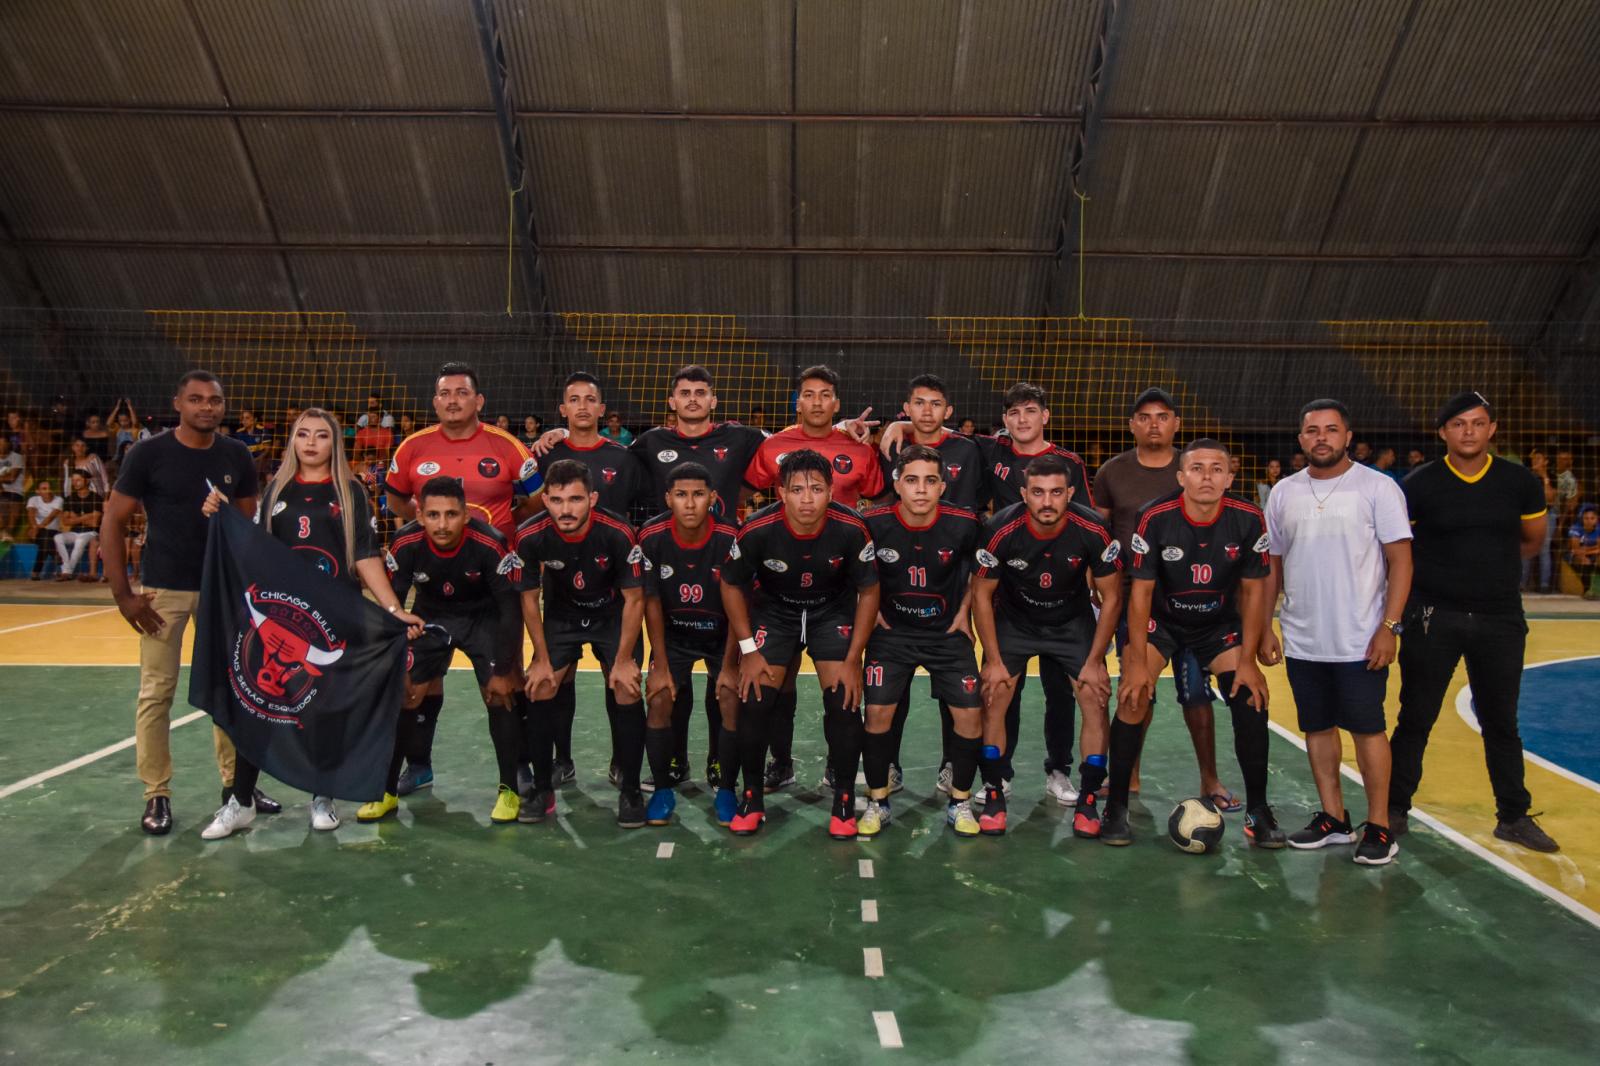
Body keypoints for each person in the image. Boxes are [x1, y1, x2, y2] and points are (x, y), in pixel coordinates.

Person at [199, 408, 422, 839]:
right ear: (293, 441)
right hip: (286, 618)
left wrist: (394, 609)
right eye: (303, 434)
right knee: (259, 705)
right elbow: (258, 552)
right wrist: (225, 516)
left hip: (334, 618)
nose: (312, 443)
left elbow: (365, 556)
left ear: (334, 444)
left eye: (322, 436)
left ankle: (323, 796)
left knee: (324, 707)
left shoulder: (350, 492)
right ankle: (240, 801)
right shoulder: (276, 490)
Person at [100, 370, 278, 835]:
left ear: (224, 406)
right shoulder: (148, 453)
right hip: (164, 592)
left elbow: (246, 529)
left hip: (221, 589)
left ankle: (236, 789)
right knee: (157, 692)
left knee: (234, 690)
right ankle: (156, 793)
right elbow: (113, 521)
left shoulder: (237, 455)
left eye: (215, 401)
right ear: (177, 402)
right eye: (196, 399)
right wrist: (124, 595)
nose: (206, 407)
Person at [1388, 393, 1561, 852]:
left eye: (1478, 423)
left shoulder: (1519, 481)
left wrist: (1486, 572)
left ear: (1492, 429)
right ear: (1443, 432)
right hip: (1432, 616)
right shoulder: (1418, 484)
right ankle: (1393, 808)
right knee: (1415, 717)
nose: (1469, 432)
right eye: (1459, 424)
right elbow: (1399, 550)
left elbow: (1532, 540)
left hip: (1499, 617)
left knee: (1502, 720)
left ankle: (1513, 816)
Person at [1263, 398, 1411, 866]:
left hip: (1360, 638)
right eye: (1312, 430)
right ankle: (1334, 818)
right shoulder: (1284, 492)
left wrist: (1389, 626)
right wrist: (1267, 625)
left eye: (1331, 429)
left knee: (1369, 730)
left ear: (1348, 437)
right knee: (1317, 729)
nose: (1321, 437)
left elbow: (1401, 560)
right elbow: (1273, 565)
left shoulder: (1378, 488)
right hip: (1305, 637)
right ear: (1300, 438)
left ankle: (1381, 826)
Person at [1111, 439, 1281, 847]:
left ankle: (1258, 810)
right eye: (1198, 468)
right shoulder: (1155, 517)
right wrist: (1135, 659)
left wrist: (1248, 660)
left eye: (1216, 468)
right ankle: (1115, 806)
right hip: (1162, 621)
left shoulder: (1248, 517)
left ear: (1230, 476)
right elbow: (1140, 593)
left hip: (1216, 625)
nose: (1207, 476)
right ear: (1181, 476)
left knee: (1251, 697)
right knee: (1133, 696)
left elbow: (1255, 592)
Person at [384, 362, 542, 795]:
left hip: (492, 593)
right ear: (435, 402)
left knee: (504, 683)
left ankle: (519, 768)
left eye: (461, 392)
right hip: (433, 593)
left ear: (479, 400)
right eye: (445, 393)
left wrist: (502, 533)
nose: (453, 400)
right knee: (418, 683)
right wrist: (430, 535)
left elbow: (536, 500)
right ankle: (418, 765)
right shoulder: (412, 448)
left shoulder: (508, 446)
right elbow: (397, 501)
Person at [719, 450, 880, 837]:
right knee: (755, 699)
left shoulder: (851, 528)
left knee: (844, 700)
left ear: (831, 491)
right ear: (781, 492)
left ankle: (843, 798)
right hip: (776, 611)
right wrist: (748, 651)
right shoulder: (758, 528)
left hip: (831, 611)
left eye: (816, 489)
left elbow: (870, 591)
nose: (807, 498)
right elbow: (730, 584)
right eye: (797, 490)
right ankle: (753, 796)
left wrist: (854, 658)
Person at [1094, 388, 1234, 811]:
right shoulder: (1112, 472)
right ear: (1132, 424)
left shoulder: (1196, 469)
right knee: (1138, 692)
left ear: (1176, 423)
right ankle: (1129, 776)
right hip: (1134, 599)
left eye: (1162, 416)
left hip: (1197, 602)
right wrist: (1096, 582)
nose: (1154, 424)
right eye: (1145, 417)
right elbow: (1099, 534)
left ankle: (1210, 779)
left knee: (1195, 694)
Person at [741, 365, 880, 788]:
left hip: (836, 586)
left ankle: (837, 771)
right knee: (775, 690)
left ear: (836, 404)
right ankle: (780, 763)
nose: (816, 402)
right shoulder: (774, 446)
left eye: (825, 396)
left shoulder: (857, 447)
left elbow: (886, 500)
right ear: (797, 401)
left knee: (840, 690)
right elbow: (744, 493)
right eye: (808, 395)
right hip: (778, 586)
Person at [969, 454, 1122, 837]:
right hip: (1015, 621)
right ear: (1024, 494)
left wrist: (1095, 661)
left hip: (1070, 622)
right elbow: (981, 595)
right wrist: (993, 660)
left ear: (1070, 492)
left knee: (1094, 693)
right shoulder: (1000, 528)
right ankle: (993, 792)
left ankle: (1087, 798)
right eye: (1038, 493)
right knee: (995, 692)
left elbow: (1113, 598)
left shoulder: (1094, 528)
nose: (1047, 501)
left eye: (1057, 492)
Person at [359, 477, 525, 823]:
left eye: (451, 514)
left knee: (500, 694)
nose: (442, 523)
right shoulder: (405, 543)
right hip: (429, 616)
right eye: (433, 515)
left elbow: (510, 610)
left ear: (466, 515)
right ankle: (386, 790)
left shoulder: (490, 544)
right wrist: (393, 664)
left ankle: (509, 789)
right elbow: (391, 601)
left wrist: (503, 667)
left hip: (483, 618)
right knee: (406, 695)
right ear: (420, 516)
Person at [529, 373, 649, 783]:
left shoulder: (623, 457)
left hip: (615, 590)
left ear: (602, 410)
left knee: (618, 675)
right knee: (556, 680)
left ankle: (622, 762)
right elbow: (528, 510)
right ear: (562, 409)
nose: (582, 406)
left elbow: (639, 512)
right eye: (573, 399)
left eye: (590, 400)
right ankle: (560, 760)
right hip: (561, 587)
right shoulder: (545, 454)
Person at [516, 460, 649, 827]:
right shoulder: (530, 535)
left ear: (591, 498)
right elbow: (528, 599)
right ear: (545, 499)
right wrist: (540, 658)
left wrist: (623, 659)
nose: (565, 509)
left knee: (625, 687)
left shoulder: (618, 532)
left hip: (612, 614)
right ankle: (542, 790)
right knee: (541, 685)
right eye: (556, 500)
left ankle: (631, 791)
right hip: (563, 616)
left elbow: (635, 599)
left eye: (575, 500)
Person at [860, 446, 984, 836]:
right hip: (892, 634)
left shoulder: (965, 523)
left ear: (942, 486)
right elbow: (852, 568)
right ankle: (878, 801)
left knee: (969, 714)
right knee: (878, 713)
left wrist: (966, 609)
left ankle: (960, 801)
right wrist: (868, 607)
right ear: (896, 484)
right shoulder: (873, 522)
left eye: (930, 481)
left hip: (946, 634)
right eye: (911, 480)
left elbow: (984, 570)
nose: (921, 489)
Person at [871, 374, 986, 793]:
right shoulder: (889, 448)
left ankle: (953, 772)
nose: (926, 411)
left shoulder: (969, 451)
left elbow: (982, 569)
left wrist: (966, 611)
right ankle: (885, 773)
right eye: (918, 404)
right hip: (897, 614)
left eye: (935, 404)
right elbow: (860, 575)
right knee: (887, 702)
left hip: (947, 587)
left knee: (960, 703)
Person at [637, 462, 741, 824]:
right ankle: (664, 787)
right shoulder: (650, 537)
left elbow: (738, 604)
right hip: (674, 634)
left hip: (720, 634)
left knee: (729, 695)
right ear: (668, 499)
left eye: (699, 494)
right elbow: (650, 601)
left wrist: (730, 666)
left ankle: (726, 786)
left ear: (713, 498)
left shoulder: (731, 538)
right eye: (681, 495)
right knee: (661, 697)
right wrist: (660, 664)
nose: (690, 503)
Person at [627, 365, 768, 523]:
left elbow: (778, 448)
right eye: (685, 393)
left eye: (700, 393)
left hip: (724, 541)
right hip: (669, 541)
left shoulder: (738, 436)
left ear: (713, 401)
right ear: (672, 402)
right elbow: (622, 469)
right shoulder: (651, 440)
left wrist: (745, 489)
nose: (692, 399)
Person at [53, 470, 101, 580]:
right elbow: (65, 521)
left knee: (80, 541)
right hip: (75, 531)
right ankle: (67, 570)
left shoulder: (96, 498)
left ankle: (66, 572)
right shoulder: (70, 498)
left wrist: (75, 518)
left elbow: (95, 522)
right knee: (58, 537)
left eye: (78, 480)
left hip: (91, 532)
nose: (75, 483)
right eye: (73, 480)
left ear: (87, 481)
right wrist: (86, 517)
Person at [1522, 448, 1557, 594]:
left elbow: (1550, 499)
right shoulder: (1526, 475)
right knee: (1526, 548)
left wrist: (1544, 477)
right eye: (1533, 458)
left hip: (1547, 514)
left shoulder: (1552, 477)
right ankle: (1521, 583)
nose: (1535, 460)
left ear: (1546, 461)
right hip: (1527, 515)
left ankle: (1544, 584)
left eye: (1539, 458)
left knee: (1544, 549)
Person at [23, 479, 63, 579]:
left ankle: (35, 573)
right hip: (36, 530)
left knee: (44, 543)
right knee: (44, 538)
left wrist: (37, 528)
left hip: (52, 531)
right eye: (44, 489)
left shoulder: (58, 500)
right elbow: (31, 514)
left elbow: (51, 517)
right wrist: (35, 527)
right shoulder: (33, 499)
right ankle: (55, 555)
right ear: (38, 491)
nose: (47, 491)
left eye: (49, 488)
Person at [1568, 505, 1599, 596]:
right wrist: (1594, 548)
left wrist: (1586, 550)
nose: (1589, 521)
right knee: (1585, 561)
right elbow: (1575, 550)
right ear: (1582, 519)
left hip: (1591, 554)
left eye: (1592, 518)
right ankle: (1587, 590)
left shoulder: (1599, 529)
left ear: (1596, 519)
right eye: (1586, 518)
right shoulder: (1575, 528)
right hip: (1574, 556)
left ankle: (1597, 589)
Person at [1, 443, 25, 535]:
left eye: (2, 443)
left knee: (12, 523)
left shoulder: (17, 457)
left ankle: (7, 538)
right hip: (2, 493)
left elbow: (11, 478)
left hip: (15, 492)